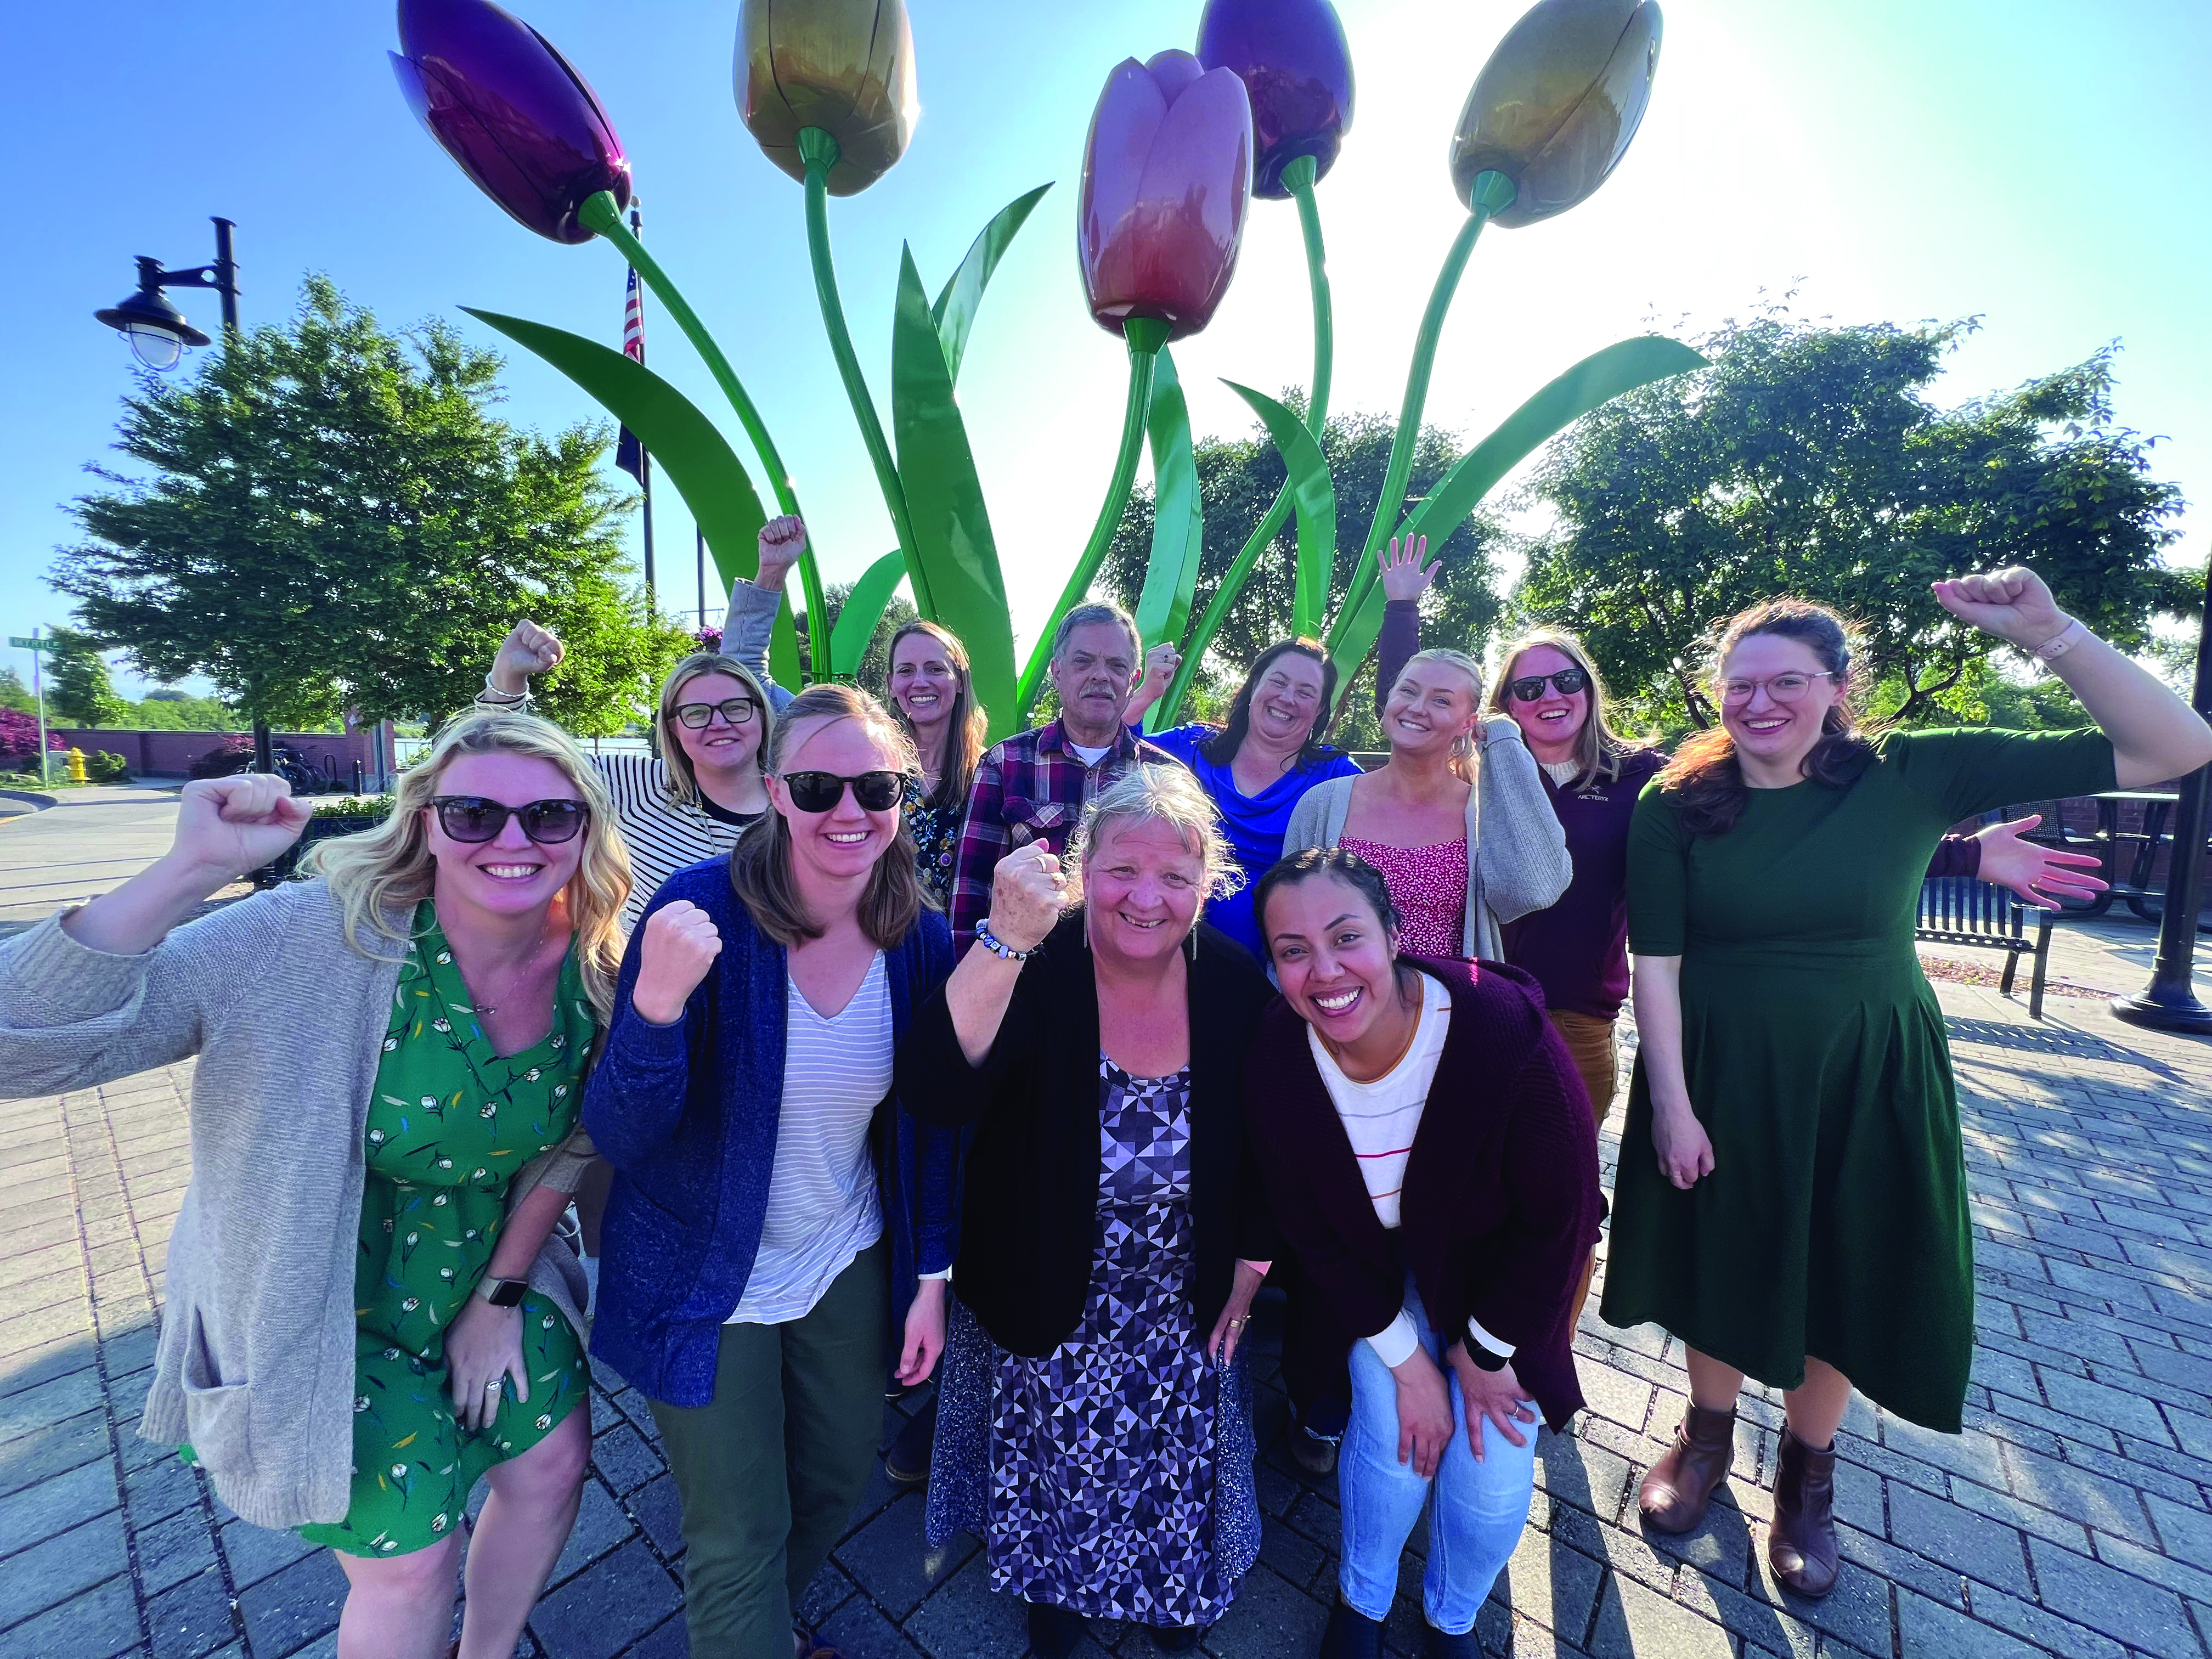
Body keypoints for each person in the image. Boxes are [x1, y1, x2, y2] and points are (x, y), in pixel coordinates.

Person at [1609, 573, 2212, 1601]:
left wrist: (2053, 633)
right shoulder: (1676, 801)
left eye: (1786, 681)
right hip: (1719, 1067)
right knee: (1721, 1249)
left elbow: (2178, 746)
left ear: (1838, 684)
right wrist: (1669, 1100)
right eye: (1738, 684)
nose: (1758, 703)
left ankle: (1806, 1476)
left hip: (1867, 1071)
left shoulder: (1913, 771)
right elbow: (1654, 962)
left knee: (1838, 1266)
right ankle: (1705, 1434)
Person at [0, 710, 623, 1657]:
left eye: (548, 815)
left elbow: (568, 1142)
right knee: (411, 1557)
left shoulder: (593, 961)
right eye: (472, 814)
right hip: (316, 1297)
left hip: (487, 1267)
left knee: (554, 1463)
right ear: (421, 821)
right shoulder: (312, 936)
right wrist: (186, 872)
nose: (512, 840)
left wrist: (498, 1295)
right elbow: (23, 1045)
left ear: (585, 828)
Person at [582, 683, 959, 1658]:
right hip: (706, 1270)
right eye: (818, 785)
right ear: (777, 790)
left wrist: (930, 1277)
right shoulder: (699, 906)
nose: (848, 811)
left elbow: (926, 1121)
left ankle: (757, 1623)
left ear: (902, 796)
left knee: (835, 1477)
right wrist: (655, 1008)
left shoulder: (916, 934)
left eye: (874, 787)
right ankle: (747, 1623)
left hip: (843, 1251)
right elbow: (621, 1130)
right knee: (735, 1528)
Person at [899, 767, 1278, 1658]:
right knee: (1053, 1455)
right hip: (1043, 1266)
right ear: (1081, 865)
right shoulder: (1034, 961)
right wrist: (1001, 938)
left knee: (1173, 1460)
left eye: (1175, 876)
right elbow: (933, 1090)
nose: (1146, 897)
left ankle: (1168, 1587)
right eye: (1122, 869)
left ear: (1206, 881)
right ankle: (1057, 1597)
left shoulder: (1233, 987)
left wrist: (1254, 1262)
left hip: (1181, 1286)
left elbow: (1274, 1142)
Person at [1489, 628, 2111, 1128]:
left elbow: (1772, 827)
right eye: (1529, 687)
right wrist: (1404, 606)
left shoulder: (1645, 779)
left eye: (1567, 679)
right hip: (1478, 1002)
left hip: (1574, 1012)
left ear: (1589, 689)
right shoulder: (1476, 778)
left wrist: (1964, 857)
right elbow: (1410, 740)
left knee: (1559, 1199)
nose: (1551, 695)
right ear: (1505, 705)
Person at [1245, 848, 1603, 1659]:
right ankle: (1362, 1602)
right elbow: (1313, 1234)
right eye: (1293, 951)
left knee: (1492, 1460)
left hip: (1500, 1278)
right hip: (1375, 1276)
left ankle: (1453, 1620)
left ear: (1397, 933)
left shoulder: (1497, 1032)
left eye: (1347, 938)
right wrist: (1411, 1366)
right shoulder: (1278, 1060)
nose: (1324, 971)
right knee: (1399, 1434)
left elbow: (1564, 1216)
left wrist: (1484, 1353)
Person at [481, 513, 806, 932]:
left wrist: (773, 573)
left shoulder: (802, 807)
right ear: (673, 728)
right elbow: (510, 763)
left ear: (763, 715)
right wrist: (508, 678)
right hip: (639, 995)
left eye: (736, 708)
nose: (719, 723)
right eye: (696, 713)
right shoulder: (638, 786)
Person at [1124, 535, 1435, 961]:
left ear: (1321, 712)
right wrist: (1145, 694)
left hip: (1283, 973)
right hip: (1172, 954)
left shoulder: (1334, 776)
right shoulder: (1193, 748)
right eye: (1278, 682)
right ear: (1252, 690)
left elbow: (1405, 744)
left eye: (1306, 692)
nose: (1288, 698)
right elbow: (1114, 749)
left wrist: (1401, 609)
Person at [720, 541, 984, 910]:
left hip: (954, 952)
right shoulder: (852, 742)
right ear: (891, 684)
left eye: (936, 669)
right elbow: (747, 677)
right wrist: (771, 573)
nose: (920, 682)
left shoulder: (990, 771)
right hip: (868, 941)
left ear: (960, 681)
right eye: (906, 671)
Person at [1284, 647, 1570, 962]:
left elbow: (1533, 891)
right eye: (1408, 691)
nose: (1418, 708)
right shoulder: (1322, 804)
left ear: (1468, 723)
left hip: (1450, 1005)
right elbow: (1289, 917)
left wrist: (1502, 737)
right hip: (1339, 1001)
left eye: (1441, 700)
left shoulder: (1481, 814)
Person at [947, 601, 1176, 944]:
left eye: (1116, 665)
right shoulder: (1006, 763)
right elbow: (972, 892)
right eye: (1083, 662)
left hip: (1130, 976)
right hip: (1024, 975)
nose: (1100, 676)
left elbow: (1178, 895)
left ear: (1134, 680)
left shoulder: (1163, 777)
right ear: (1057, 672)